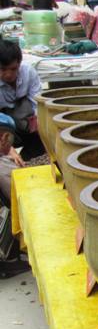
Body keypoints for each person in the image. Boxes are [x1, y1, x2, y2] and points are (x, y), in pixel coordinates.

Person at [0, 40, 44, 161]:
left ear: (19, 63)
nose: (8, 74)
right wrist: (8, 148)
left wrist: (42, 127)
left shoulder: (28, 72)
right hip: (3, 123)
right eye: (3, 69)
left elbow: (38, 103)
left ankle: (26, 158)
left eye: (13, 69)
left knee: (43, 133)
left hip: (23, 119)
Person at [0, 114, 31, 279]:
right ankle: (10, 260)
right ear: (5, 137)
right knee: (15, 208)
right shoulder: (2, 167)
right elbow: (20, 193)